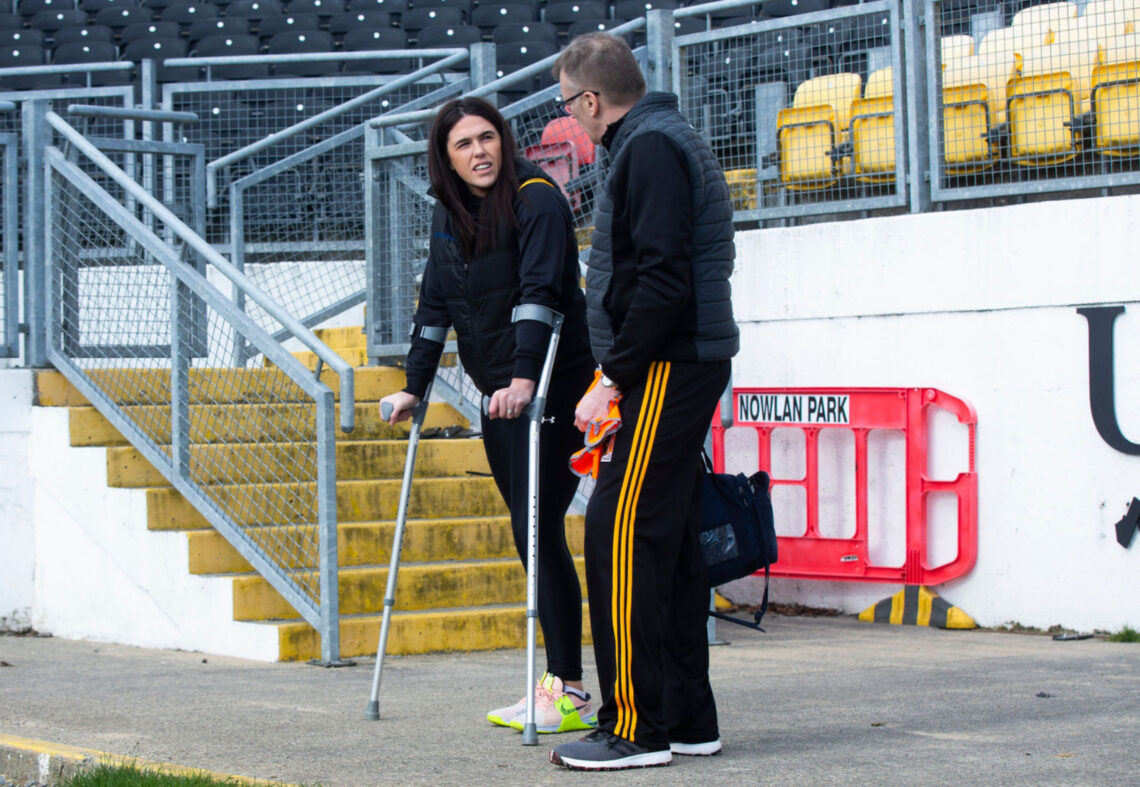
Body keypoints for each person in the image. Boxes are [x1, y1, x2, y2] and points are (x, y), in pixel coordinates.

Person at [548, 34, 740, 771]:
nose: (571, 120)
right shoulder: (664, 135)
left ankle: (634, 725)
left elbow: (661, 281)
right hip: (678, 361)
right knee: (671, 542)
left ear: (590, 101)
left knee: (619, 532)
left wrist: (612, 378)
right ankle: (689, 716)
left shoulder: (649, 148)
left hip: (665, 363)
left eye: (570, 106)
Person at [378, 97, 597, 735]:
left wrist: (525, 379)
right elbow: (434, 304)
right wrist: (414, 386)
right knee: (529, 531)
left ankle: (569, 690)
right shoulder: (450, 216)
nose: (479, 152)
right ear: (445, 159)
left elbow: (541, 293)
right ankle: (564, 686)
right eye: (463, 145)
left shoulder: (537, 200)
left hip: (554, 385)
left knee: (538, 528)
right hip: (502, 391)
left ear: (503, 140)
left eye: (486, 138)